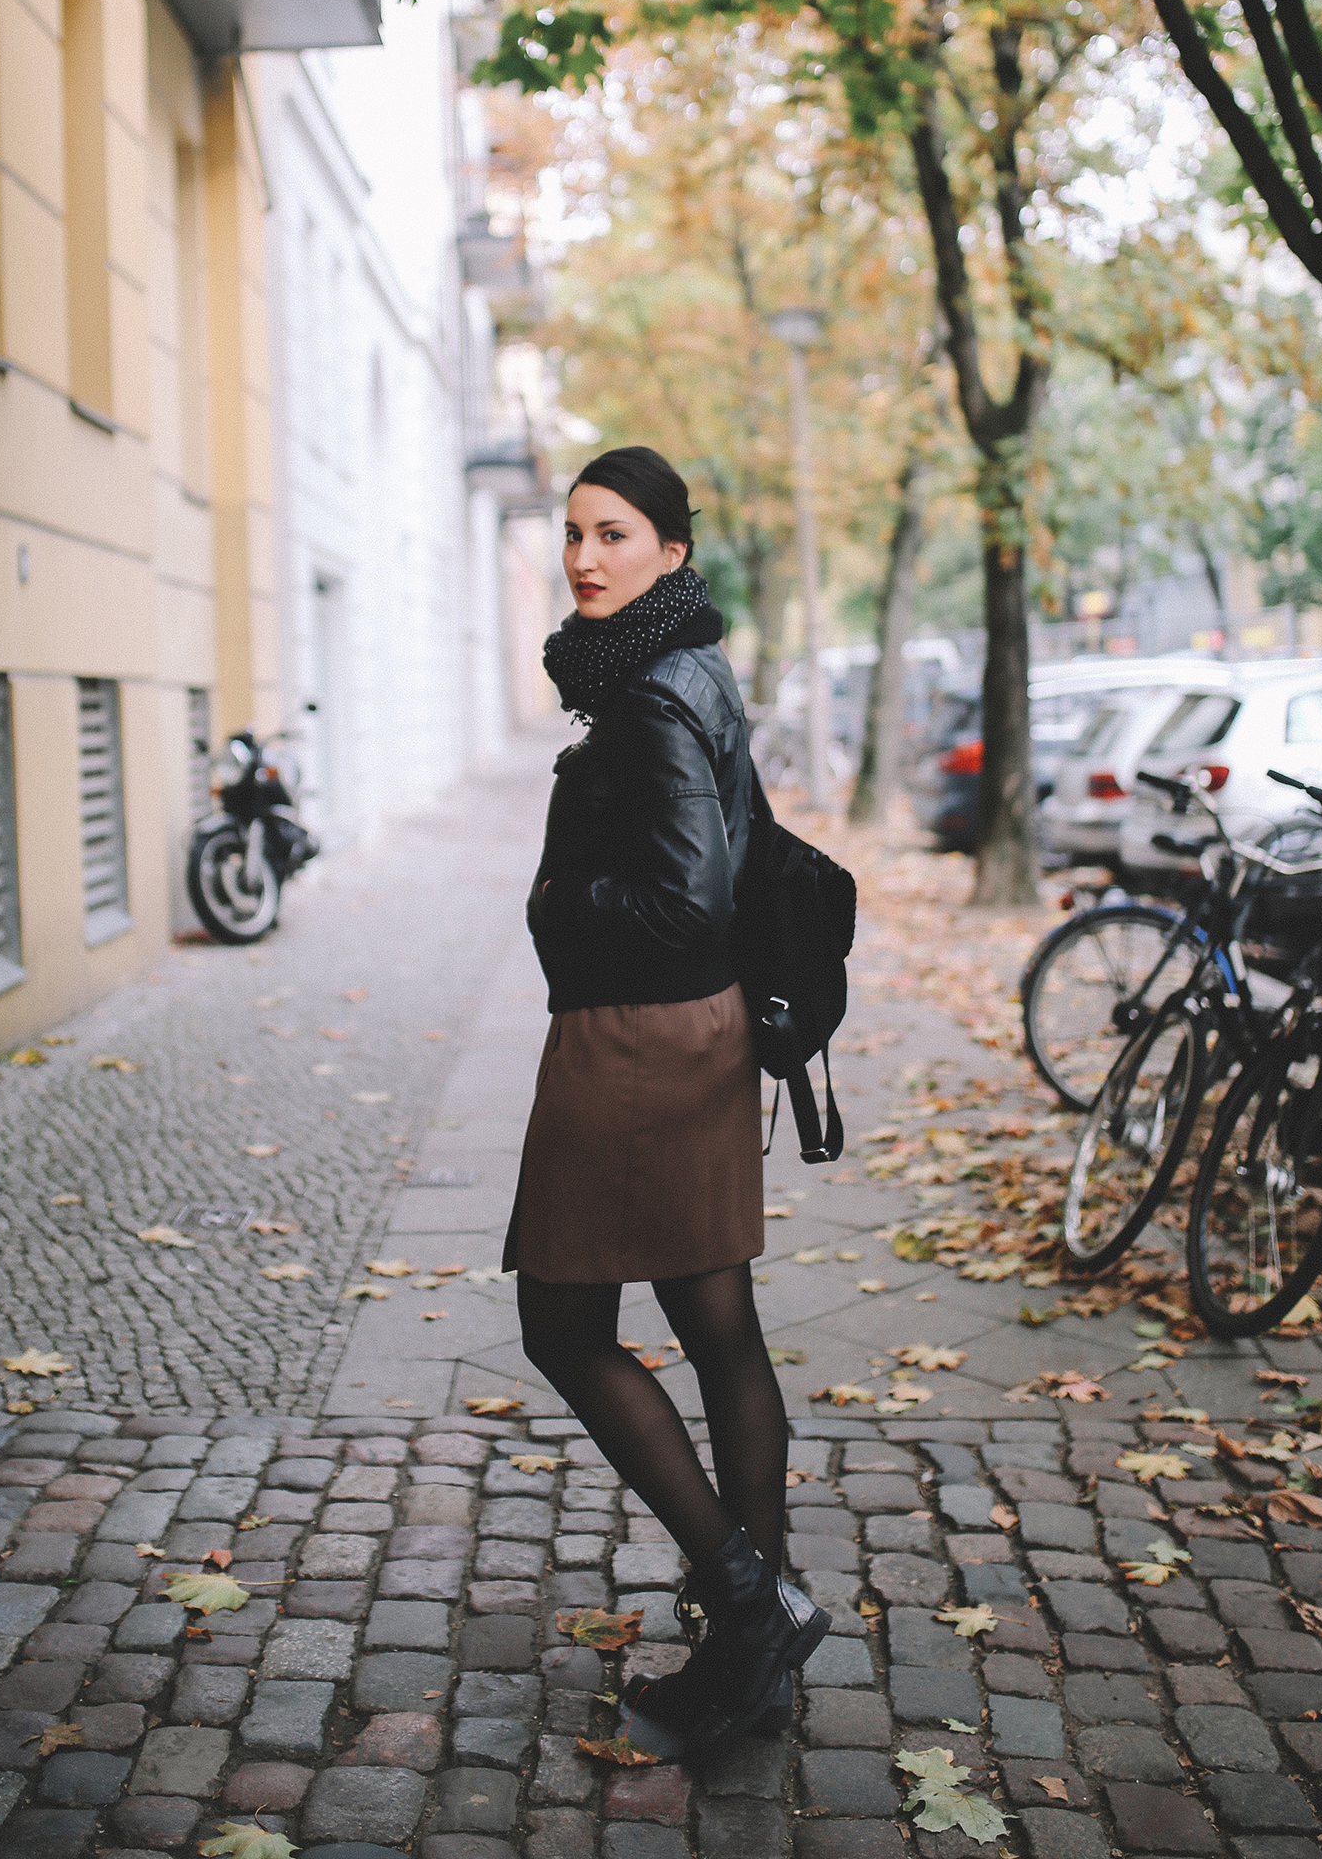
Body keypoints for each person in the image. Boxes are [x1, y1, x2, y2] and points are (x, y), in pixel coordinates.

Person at [502, 445, 829, 1763]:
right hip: (698, 1034)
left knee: (564, 1325)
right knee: (717, 1325)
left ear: (672, 553)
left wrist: (558, 902)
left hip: (638, 1041)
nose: (585, 556)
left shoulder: (644, 691)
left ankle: (751, 1601)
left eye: (615, 533)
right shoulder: (685, 666)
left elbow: (684, 896)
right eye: (574, 532)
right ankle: (759, 1647)